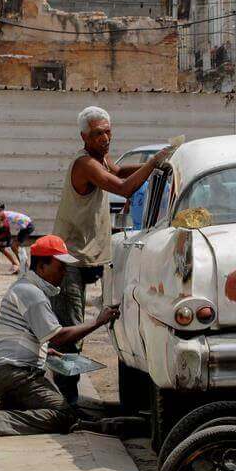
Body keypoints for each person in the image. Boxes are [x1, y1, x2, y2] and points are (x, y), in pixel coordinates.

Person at [53, 106, 173, 404]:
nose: (105, 138)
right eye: (98, 134)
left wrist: (157, 166)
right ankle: (66, 404)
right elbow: (123, 187)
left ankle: (69, 400)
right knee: (70, 331)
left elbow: (119, 171)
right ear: (84, 136)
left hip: (86, 254)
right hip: (69, 258)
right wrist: (154, 162)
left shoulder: (99, 158)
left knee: (77, 325)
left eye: (108, 131)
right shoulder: (85, 164)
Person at [0, 235, 119, 438]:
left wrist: (40, 349)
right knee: (63, 414)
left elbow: (0, 331)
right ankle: (0, 420)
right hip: (12, 374)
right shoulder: (33, 294)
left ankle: (3, 413)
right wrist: (98, 321)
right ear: (41, 266)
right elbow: (59, 336)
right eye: (60, 267)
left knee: (44, 397)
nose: (64, 273)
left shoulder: (20, 287)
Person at [0, 202, 34, 274]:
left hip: (27, 226)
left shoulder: (0, 215)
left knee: (14, 246)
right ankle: (25, 267)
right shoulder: (1, 213)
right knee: (15, 246)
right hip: (26, 225)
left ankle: (25, 267)